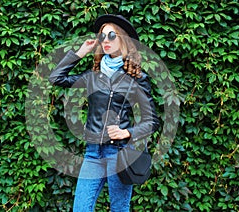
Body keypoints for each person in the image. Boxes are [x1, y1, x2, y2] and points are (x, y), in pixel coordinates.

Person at [49, 14, 159, 212]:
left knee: (119, 208)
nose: (105, 40)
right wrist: (80, 52)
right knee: (81, 208)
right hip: (93, 153)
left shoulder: (137, 78)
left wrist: (128, 132)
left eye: (111, 35)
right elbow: (56, 78)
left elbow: (152, 120)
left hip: (119, 153)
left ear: (123, 39)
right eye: (102, 36)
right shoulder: (93, 77)